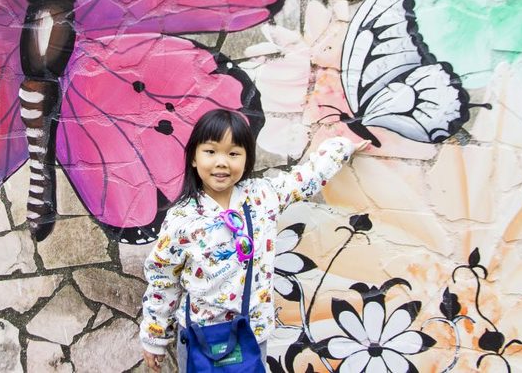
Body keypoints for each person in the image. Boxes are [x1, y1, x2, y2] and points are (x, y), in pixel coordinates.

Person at [139, 109, 369, 372]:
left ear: (247, 158)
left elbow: (305, 178)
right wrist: (154, 338)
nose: (222, 162)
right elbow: (163, 279)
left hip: (251, 335)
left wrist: (342, 147)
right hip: (201, 339)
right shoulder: (182, 220)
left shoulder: (262, 198)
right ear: (193, 157)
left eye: (233, 153)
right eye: (210, 152)